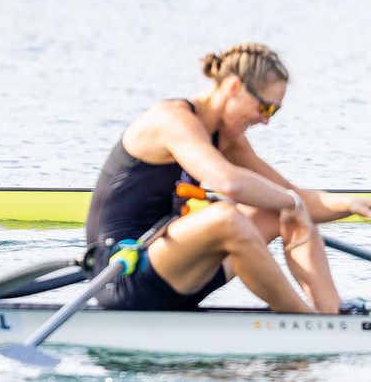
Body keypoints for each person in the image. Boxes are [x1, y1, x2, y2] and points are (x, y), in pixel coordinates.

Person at [85, 43, 371, 313]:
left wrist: (350, 204)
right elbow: (229, 183)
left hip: (177, 272)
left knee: (279, 212)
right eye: (265, 107)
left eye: (274, 111)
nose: (266, 120)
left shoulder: (227, 138)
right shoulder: (171, 120)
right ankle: (305, 321)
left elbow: (291, 195)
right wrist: (292, 201)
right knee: (227, 216)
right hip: (124, 273)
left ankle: (334, 315)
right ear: (234, 87)